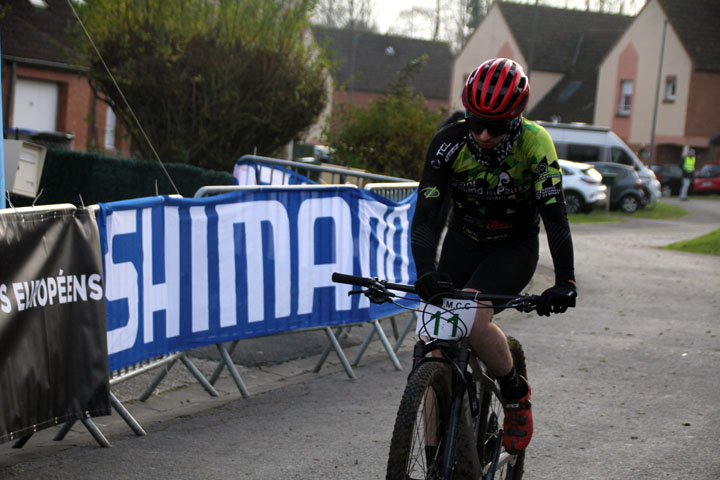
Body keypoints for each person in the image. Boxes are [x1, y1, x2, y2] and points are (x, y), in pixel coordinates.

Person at [410, 58, 577, 454]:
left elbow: (555, 218)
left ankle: (515, 393)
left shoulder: (535, 145)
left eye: (497, 127)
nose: (484, 134)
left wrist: (565, 280)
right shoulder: (448, 142)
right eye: (476, 122)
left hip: (512, 248)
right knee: (434, 341)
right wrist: (425, 270)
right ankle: (436, 457)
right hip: (463, 242)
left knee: (472, 320)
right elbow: (426, 218)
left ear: (516, 120)